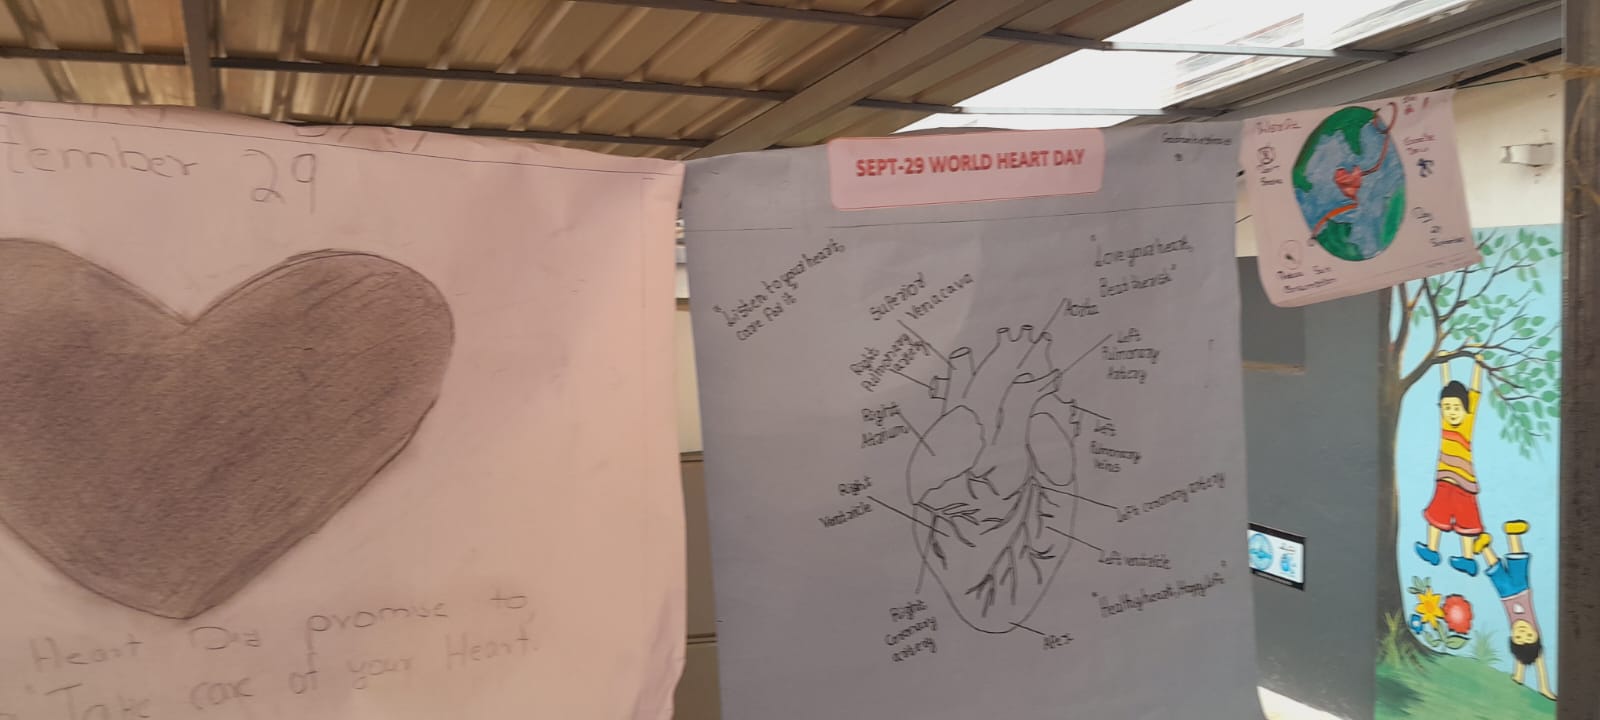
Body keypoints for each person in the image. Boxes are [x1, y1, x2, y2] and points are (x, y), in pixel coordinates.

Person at [1416, 353, 1485, 576]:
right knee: (1437, 513)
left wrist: (1478, 364)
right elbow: (1445, 385)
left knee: (1467, 519)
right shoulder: (1445, 422)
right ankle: (1432, 549)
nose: (1451, 412)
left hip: (1464, 482)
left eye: (1456, 407)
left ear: (1465, 409)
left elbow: (1475, 392)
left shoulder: (1467, 422)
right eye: (1447, 407)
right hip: (1444, 479)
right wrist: (1444, 363)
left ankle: (1468, 559)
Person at [1477, 520, 1556, 700]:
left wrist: (1518, 676)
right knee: (1517, 562)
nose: (1522, 631)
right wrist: (1544, 687)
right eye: (1528, 635)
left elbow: (1520, 654)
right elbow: (1538, 660)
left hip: (1505, 594)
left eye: (1518, 637)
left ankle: (1484, 547)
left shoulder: (1519, 636)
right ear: (1536, 635)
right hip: (1522, 589)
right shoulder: (1535, 629)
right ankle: (1513, 534)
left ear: (1512, 638)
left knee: (1496, 570)